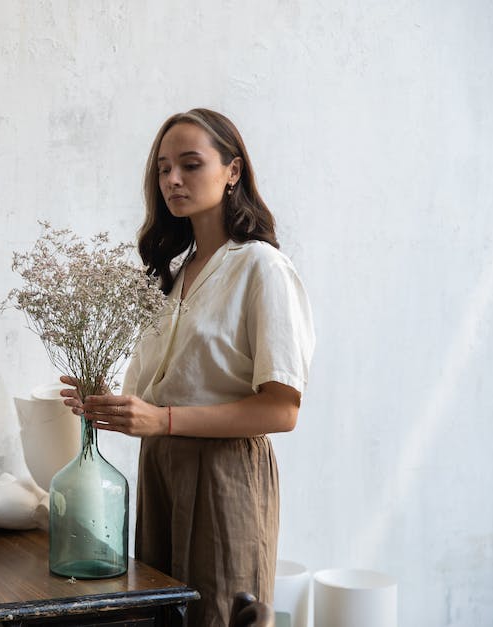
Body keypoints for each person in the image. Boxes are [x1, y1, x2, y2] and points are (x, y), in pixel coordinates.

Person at [61, 108, 315, 626]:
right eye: (162, 168)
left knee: (220, 615)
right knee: (161, 618)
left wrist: (164, 421)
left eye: (191, 164)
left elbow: (282, 409)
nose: (173, 179)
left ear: (233, 172)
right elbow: (164, 398)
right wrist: (104, 403)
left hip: (225, 476)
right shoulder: (173, 277)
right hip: (160, 471)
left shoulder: (261, 267)